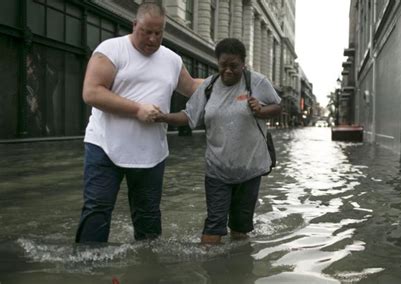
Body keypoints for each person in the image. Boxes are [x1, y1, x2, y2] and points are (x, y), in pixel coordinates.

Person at [75, 2, 203, 243]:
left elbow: (191, 87)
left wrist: (228, 81)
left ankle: (148, 269)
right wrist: (137, 109)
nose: (153, 39)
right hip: (105, 147)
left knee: (149, 218)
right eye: (147, 31)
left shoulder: (172, 60)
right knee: (97, 210)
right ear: (134, 25)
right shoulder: (111, 50)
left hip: (151, 153)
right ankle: (87, 267)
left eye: (159, 33)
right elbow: (91, 92)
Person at [155, 38, 282, 245]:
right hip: (217, 169)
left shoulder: (257, 82)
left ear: (243, 63)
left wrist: (261, 109)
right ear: (217, 62)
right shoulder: (208, 86)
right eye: (223, 65)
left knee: (240, 229)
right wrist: (163, 117)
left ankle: (237, 269)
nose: (228, 71)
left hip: (249, 169)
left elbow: (277, 107)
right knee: (214, 224)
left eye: (234, 66)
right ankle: (209, 270)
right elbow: (189, 116)